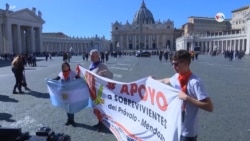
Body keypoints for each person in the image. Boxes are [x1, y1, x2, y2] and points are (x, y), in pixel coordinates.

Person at [158, 50, 213, 141]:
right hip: (175, 127)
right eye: (172, 64)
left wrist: (187, 98)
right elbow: (166, 80)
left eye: (176, 64)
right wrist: (151, 81)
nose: (173, 67)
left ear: (186, 63)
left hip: (188, 132)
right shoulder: (176, 77)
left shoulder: (195, 82)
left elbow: (209, 107)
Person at [89, 49, 113, 131]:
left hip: (100, 91)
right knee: (95, 107)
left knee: (100, 107)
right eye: (90, 55)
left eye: (92, 56)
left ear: (98, 56)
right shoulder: (92, 65)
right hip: (93, 90)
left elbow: (110, 76)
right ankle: (99, 122)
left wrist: (103, 75)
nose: (91, 57)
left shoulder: (102, 66)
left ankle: (102, 124)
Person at [53, 62, 80, 127]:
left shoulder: (72, 73)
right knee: (66, 107)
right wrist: (49, 80)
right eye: (63, 66)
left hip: (71, 92)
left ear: (68, 66)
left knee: (71, 107)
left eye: (66, 66)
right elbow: (57, 78)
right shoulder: (61, 73)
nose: (65, 67)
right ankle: (68, 120)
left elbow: (78, 78)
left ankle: (72, 120)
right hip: (64, 93)